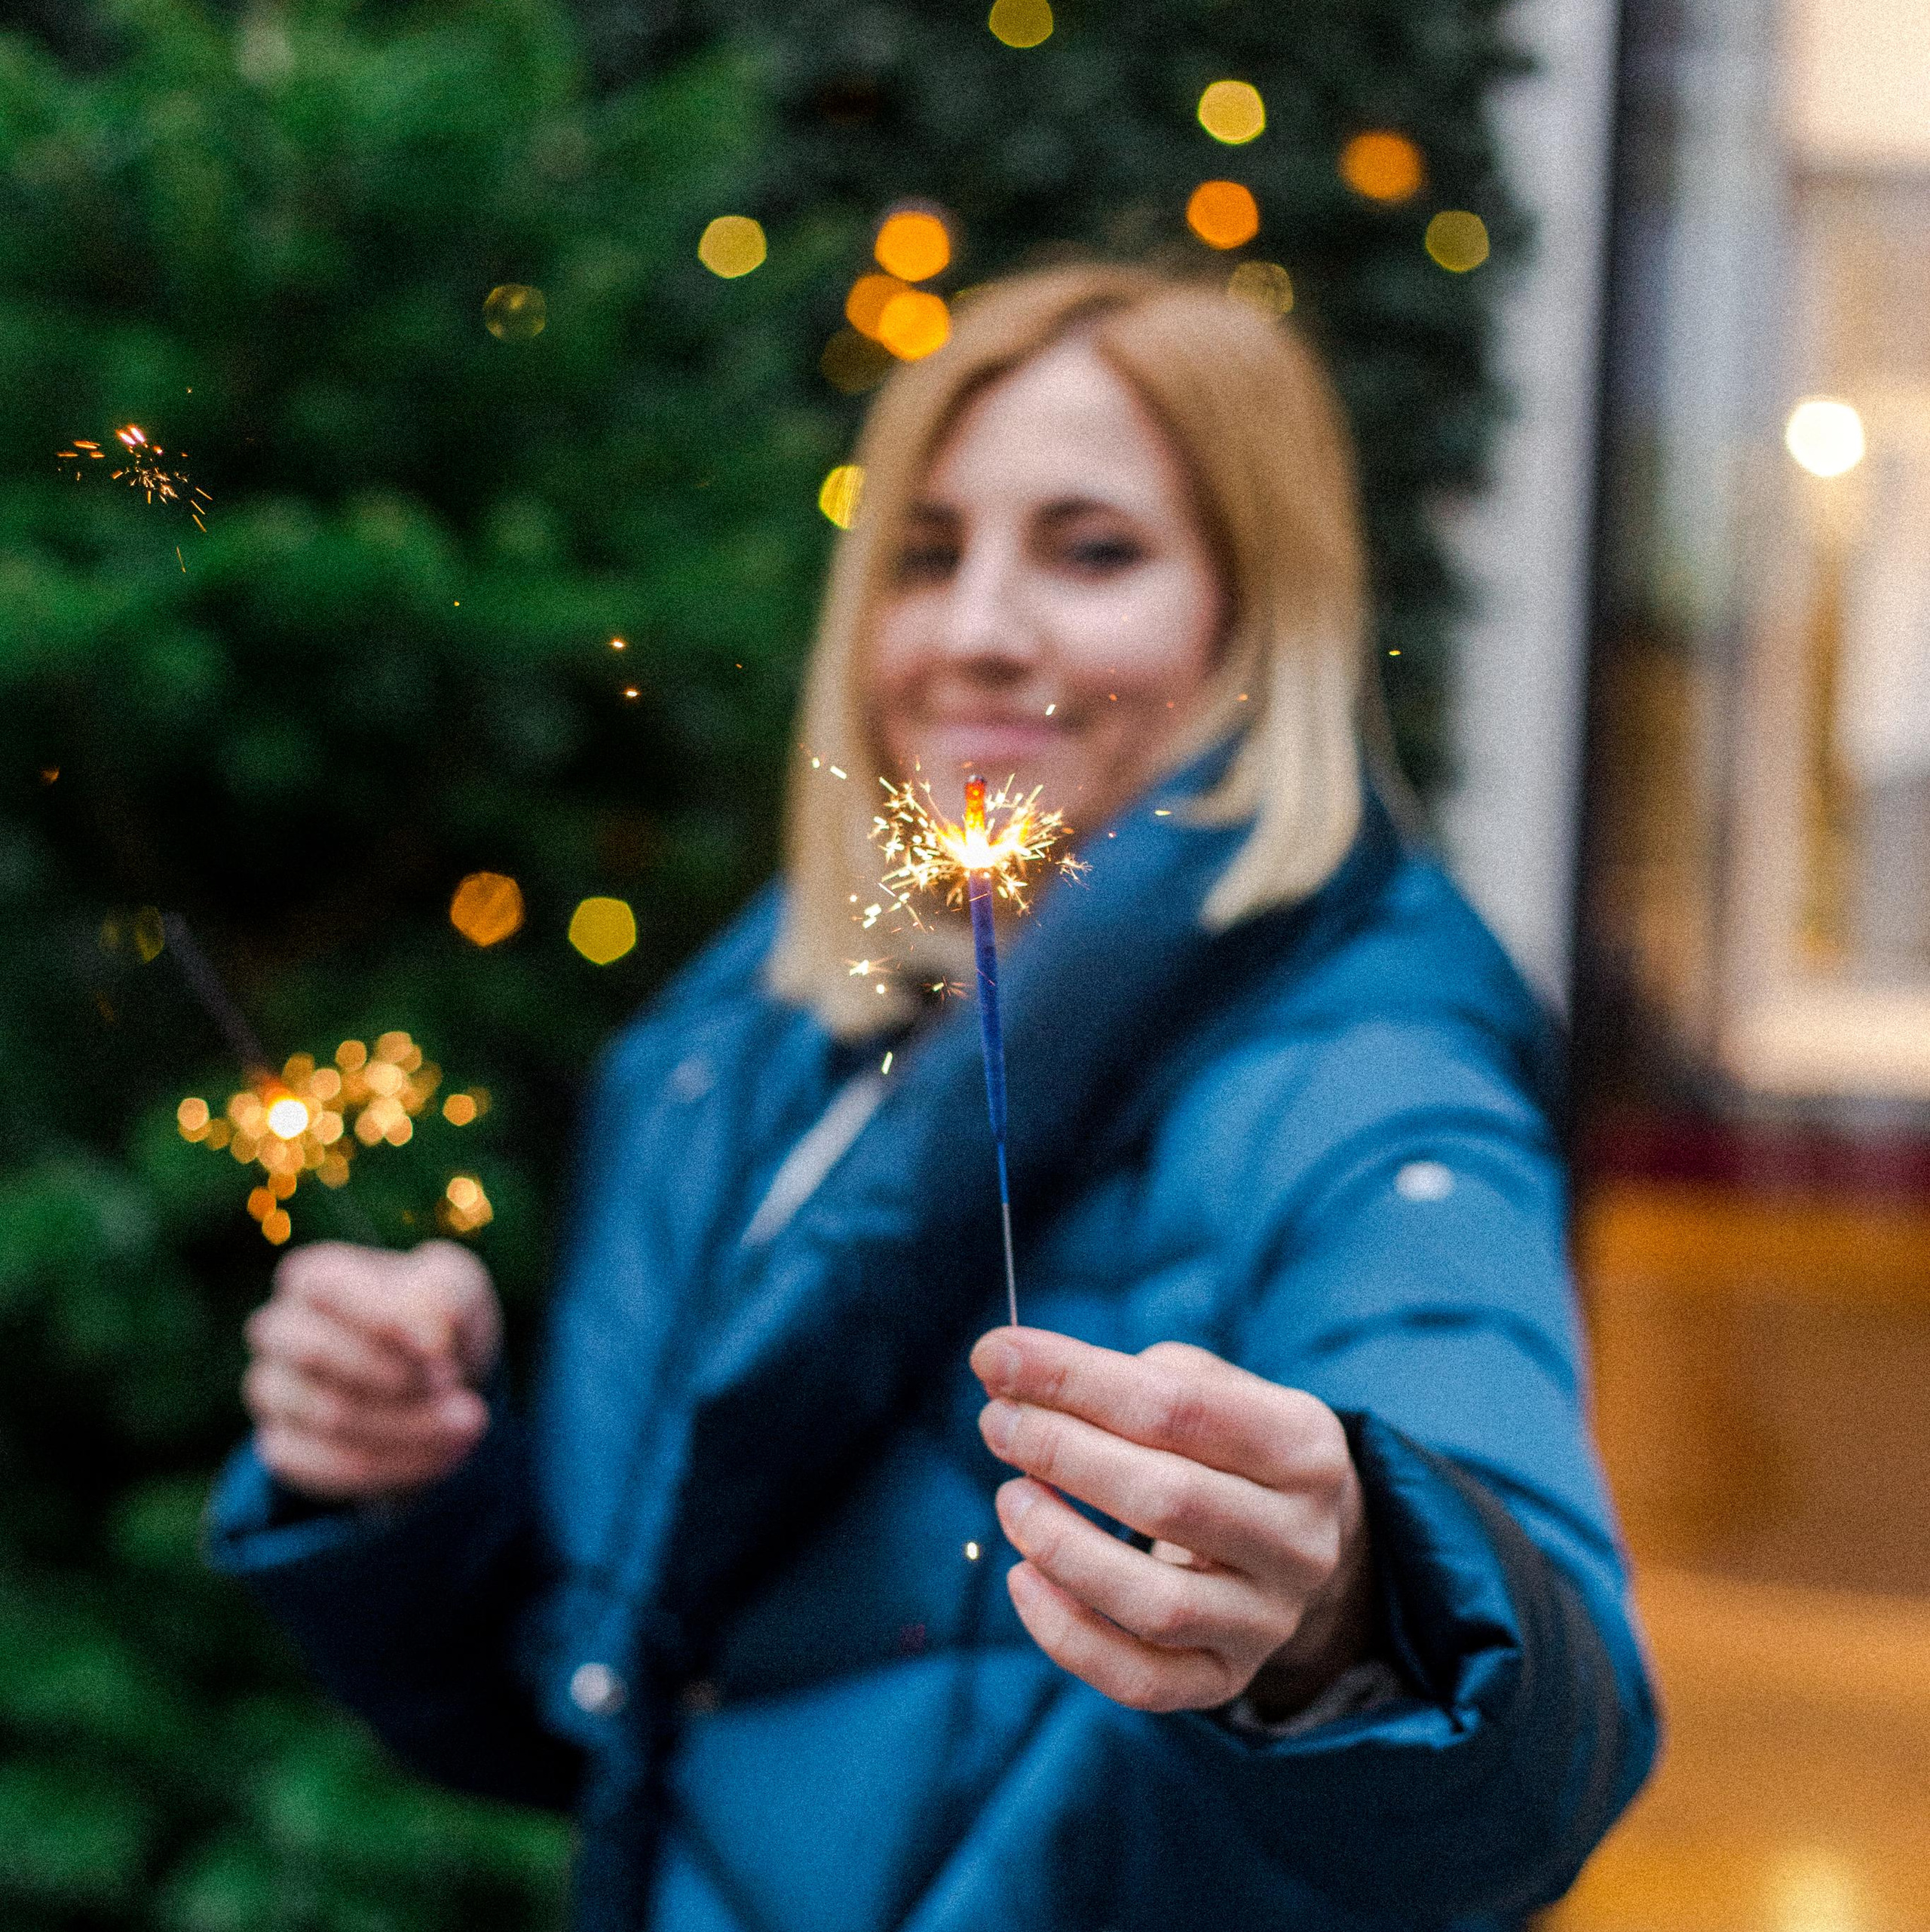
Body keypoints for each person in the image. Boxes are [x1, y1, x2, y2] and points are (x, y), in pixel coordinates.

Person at [205, 262, 1659, 1930]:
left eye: (1090, 549)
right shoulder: (735, 1051)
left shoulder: (1368, 1086)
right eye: (923, 553)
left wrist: (1355, 1611)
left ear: (1259, 613)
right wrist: (399, 1481)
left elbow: (1541, 1768)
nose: (975, 631)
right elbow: (617, 1703)